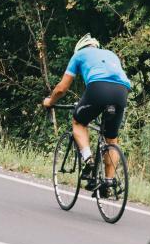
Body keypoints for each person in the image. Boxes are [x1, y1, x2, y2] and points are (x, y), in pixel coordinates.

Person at [41, 34, 130, 196]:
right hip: (122, 92)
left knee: (79, 122)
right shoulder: (111, 54)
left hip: (98, 89)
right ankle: (108, 184)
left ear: (80, 48)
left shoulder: (79, 55)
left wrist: (50, 101)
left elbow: (61, 88)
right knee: (112, 140)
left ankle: (89, 161)